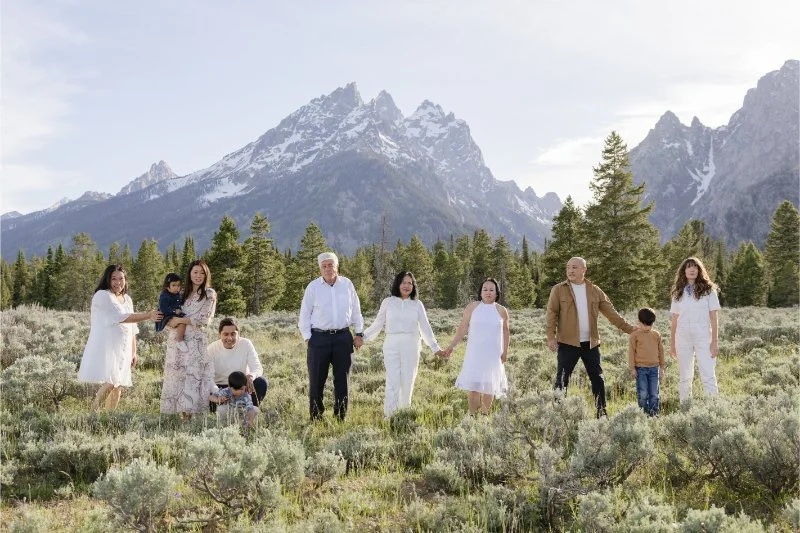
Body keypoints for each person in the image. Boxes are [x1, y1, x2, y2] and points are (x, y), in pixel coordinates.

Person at [546, 257, 636, 418]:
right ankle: (558, 417)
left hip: (591, 344)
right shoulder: (559, 290)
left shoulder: (595, 290)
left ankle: (602, 414)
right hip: (568, 343)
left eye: (574, 267)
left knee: (598, 379)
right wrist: (551, 337)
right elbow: (551, 314)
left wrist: (631, 330)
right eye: (568, 268)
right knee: (562, 380)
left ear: (583, 270)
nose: (570, 271)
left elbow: (611, 313)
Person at [78, 264, 162, 411]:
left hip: (124, 348)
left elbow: (132, 328)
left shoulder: (127, 299)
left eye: (121, 278)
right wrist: (148, 315)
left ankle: (109, 417)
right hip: (109, 346)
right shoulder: (103, 296)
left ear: (125, 280)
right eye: (114, 279)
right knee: (111, 381)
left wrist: (133, 351)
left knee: (119, 385)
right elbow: (120, 317)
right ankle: (93, 413)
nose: (118, 282)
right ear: (108, 280)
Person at [363, 271, 446, 418]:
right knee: (392, 380)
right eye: (404, 282)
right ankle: (389, 416)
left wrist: (435, 347)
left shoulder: (417, 304)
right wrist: (362, 338)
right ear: (397, 284)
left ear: (413, 286)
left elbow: (425, 327)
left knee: (408, 380)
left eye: (410, 283)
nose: (407, 286)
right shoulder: (388, 302)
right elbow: (378, 324)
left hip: (411, 344)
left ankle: (403, 414)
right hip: (391, 344)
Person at [298, 252, 364, 421]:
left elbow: (356, 310)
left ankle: (340, 416)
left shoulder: (347, 284)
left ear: (337, 267)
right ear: (320, 268)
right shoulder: (313, 287)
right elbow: (304, 314)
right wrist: (308, 338)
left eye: (331, 265)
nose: (328, 269)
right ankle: (316, 417)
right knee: (316, 381)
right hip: (318, 339)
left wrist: (359, 333)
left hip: (343, 337)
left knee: (342, 380)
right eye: (324, 266)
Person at [160, 260, 217, 419]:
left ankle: (191, 418)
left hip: (195, 342)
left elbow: (204, 320)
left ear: (206, 275)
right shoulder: (181, 292)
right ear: (190, 273)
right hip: (176, 341)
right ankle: (180, 417)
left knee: (193, 377)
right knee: (178, 377)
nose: (198, 276)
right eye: (195, 272)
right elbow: (168, 312)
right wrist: (171, 320)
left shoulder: (209, 294)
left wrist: (180, 320)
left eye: (202, 273)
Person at [444, 278, 509, 416]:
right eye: (485, 289)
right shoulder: (472, 307)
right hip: (475, 353)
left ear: (497, 293)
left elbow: (506, 331)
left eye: (492, 290)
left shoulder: (501, 310)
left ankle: (485, 416)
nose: (488, 292)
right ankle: (472, 415)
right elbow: (462, 328)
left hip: (493, 354)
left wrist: (505, 352)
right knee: (474, 386)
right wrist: (452, 346)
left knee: (489, 386)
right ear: (480, 292)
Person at [669, 256, 721, 401]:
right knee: (685, 376)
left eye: (695, 267)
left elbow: (714, 316)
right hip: (683, 337)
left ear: (699, 270)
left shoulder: (709, 290)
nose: (692, 269)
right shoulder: (678, 292)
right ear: (684, 271)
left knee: (708, 374)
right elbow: (674, 320)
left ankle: (713, 408)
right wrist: (672, 343)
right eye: (688, 267)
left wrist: (714, 341)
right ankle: (685, 408)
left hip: (704, 336)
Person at [208, 317, 268, 411]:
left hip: (241, 387)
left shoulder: (246, 344)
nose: (229, 338)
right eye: (225, 334)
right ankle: (220, 409)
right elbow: (208, 376)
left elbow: (257, 368)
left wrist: (251, 376)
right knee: (201, 386)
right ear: (220, 335)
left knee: (261, 382)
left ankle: (250, 411)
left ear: (238, 334)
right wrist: (218, 393)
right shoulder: (211, 349)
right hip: (220, 388)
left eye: (233, 334)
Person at [628, 308, 665, 416]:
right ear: (639, 322)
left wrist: (662, 367)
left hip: (654, 369)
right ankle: (643, 415)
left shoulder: (656, 335)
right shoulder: (634, 336)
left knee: (654, 394)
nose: (648, 328)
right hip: (641, 369)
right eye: (645, 325)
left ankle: (654, 415)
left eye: (650, 325)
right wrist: (632, 368)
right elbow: (631, 352)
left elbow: (661, 351)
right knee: (643, 394)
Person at [156, 273, 188, 352]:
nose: (177, 288)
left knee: (184, 320)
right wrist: (174, 311)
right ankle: (180, 341)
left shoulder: (176, 293)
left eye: (178, 285)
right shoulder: (164, 296)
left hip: (172, 314)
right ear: (167, 286)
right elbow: (164, 309)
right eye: (173, 285)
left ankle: (181, 338)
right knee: (182, 322)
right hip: (165, 315)